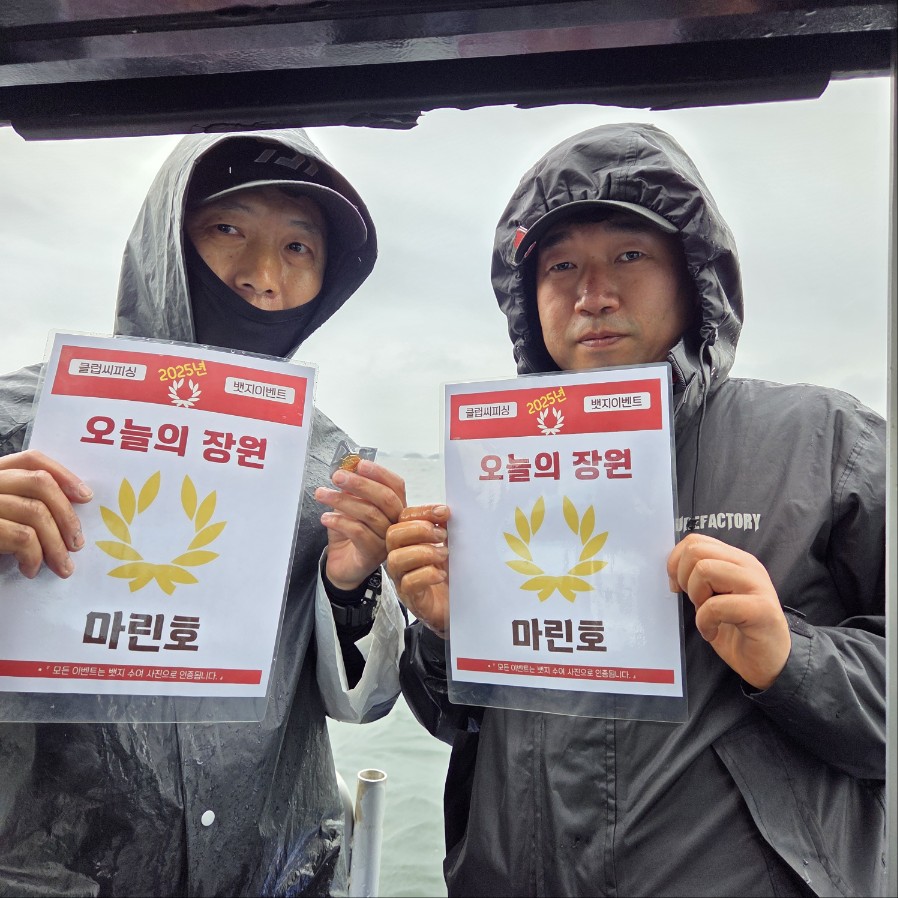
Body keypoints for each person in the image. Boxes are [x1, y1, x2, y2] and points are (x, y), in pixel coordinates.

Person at [388, 123, 886, 897]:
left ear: (695, 276)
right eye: (561, 266)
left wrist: (792, 659)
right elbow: (456, 723)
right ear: (527, 297)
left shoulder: (826, 439)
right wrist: (446, 637)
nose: (593, 295)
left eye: (629, 255)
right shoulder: (498, 469)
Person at [0, 129, 408, 896]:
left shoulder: (333, 464)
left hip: (277, 874)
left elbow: (368, 701)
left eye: (298, 247)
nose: (263, 276)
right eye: (228, 229)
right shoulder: (21, 421)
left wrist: (353, 587)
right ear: (168, 243)